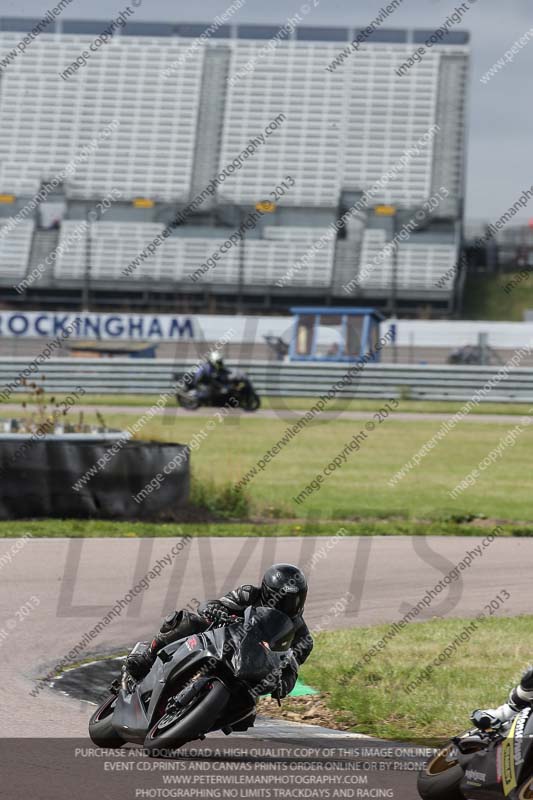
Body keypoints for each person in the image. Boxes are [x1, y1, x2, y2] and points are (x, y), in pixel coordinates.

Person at [126, 563, 313, 700]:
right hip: (223, 639)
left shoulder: (303, 636)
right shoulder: (248, 594)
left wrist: (283, 685)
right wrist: (215, 610)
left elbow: (292, 669)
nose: (287, 606)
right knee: (188, 621)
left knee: (245, 717)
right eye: (281, 599)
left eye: (294, 600)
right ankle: (147, 656)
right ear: (266, 591)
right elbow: (216, 603)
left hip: (253, 668)